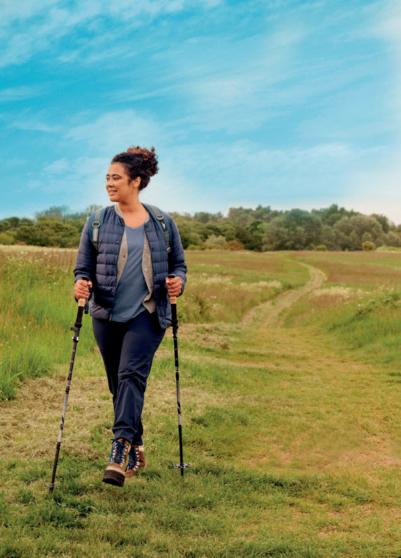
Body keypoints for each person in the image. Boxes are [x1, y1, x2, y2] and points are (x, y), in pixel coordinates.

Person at [73, 146, 187, 487]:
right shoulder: (97, 222)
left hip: (147, 314)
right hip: (106, 314)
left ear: (136, 181)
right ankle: (136, 444)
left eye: (116, 178)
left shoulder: (162, 223)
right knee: (118, 384)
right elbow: (83, 267)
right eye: (107, 177)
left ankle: (119, 449)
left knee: (130, 376)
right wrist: (81, 283)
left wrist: (178, 281)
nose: (109, 183)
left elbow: (179, 265)